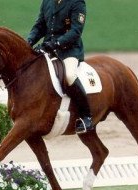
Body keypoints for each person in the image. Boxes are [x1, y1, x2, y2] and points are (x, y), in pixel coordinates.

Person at [27, 0, 93, 133]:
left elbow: (76, 31)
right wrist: (28, 41)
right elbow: (40, 26)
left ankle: (87, 117)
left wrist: (56, 43)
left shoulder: (77, 3)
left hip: (69, 50)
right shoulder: (47, 1)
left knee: (69, 76)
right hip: (48, 48)